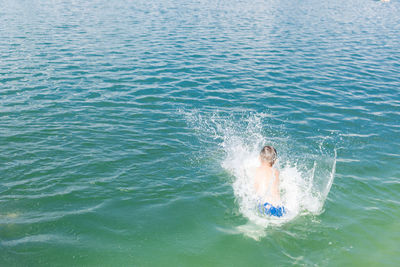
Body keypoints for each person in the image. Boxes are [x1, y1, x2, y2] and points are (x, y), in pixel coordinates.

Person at [254, 145, 285, 217]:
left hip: (265, 205)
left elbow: (255, 189)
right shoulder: (276, 172)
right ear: (275, 161)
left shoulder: (257, 171)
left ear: (259, 158)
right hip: (279, 207)